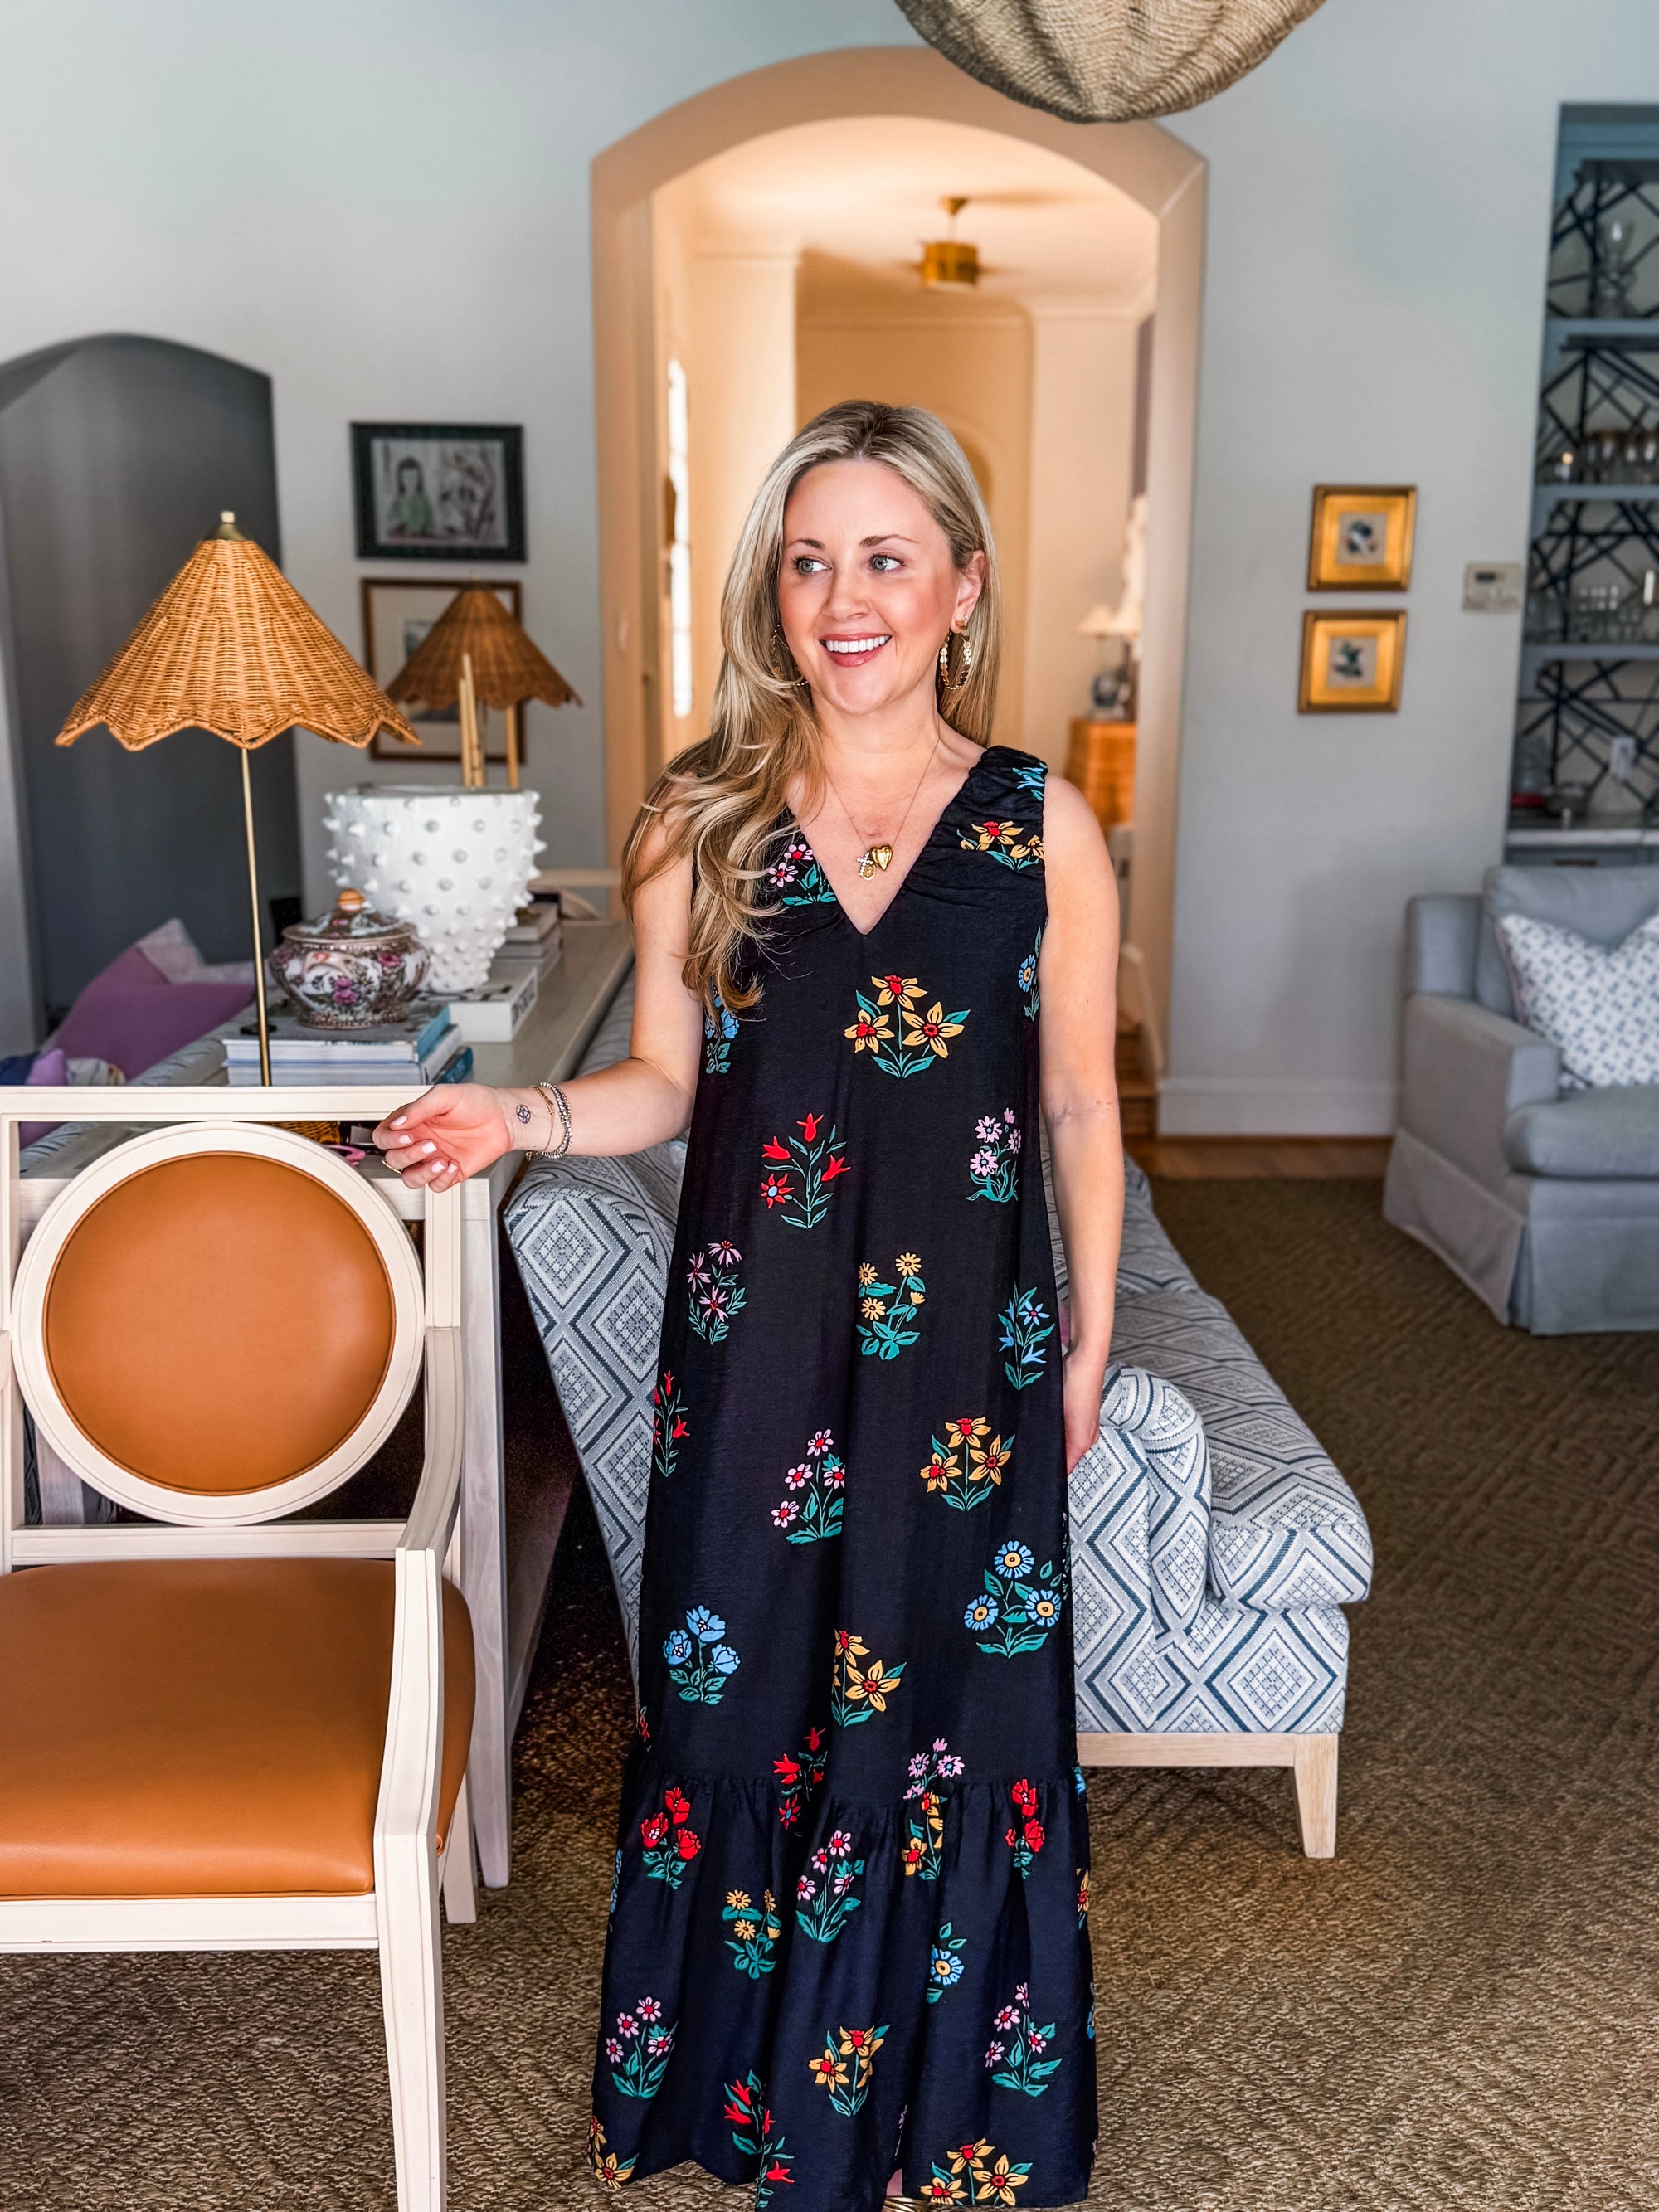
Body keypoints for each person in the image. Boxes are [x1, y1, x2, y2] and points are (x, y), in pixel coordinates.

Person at [374, 401, 1124, 2211]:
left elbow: (1080, 1106)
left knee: (949, 1712)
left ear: (962, 586)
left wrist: (1090, 1344)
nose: (844, 599)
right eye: (808, 561)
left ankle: (941, 2114)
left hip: (968, 1368)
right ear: (771, 592)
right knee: (733, 1707)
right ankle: (737, 2096)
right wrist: (518, 1117)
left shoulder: (1041, 828)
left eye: (885, 557)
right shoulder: (700, 817)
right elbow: (663, 1079)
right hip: (757, 1349)